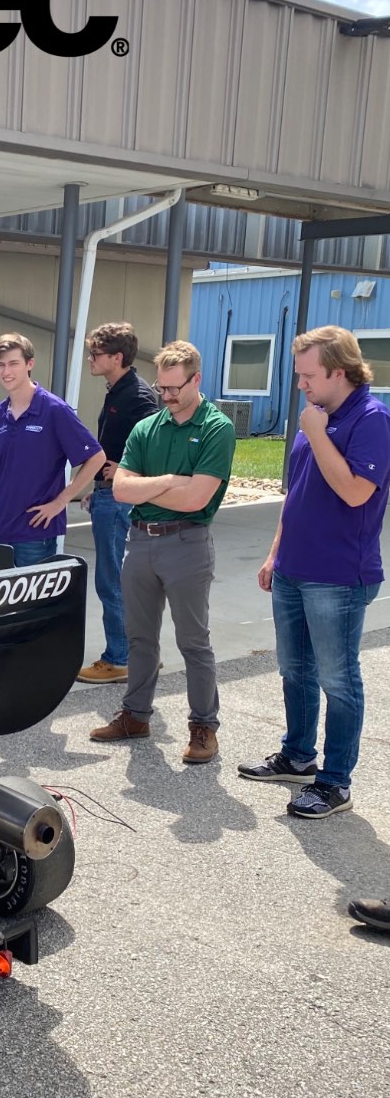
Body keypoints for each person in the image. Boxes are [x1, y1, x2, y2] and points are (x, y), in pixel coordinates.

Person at [238, 326, 390, 818]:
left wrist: (318, 434)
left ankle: (335, 782)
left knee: (338, 679)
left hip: (339, 575)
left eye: (308, 375)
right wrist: (274, 553)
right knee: (294, 670)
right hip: (293, 568)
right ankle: (298, 758)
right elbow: (298, 493)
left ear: (339, 372)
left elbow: (354, 492)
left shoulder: (372, 419)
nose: (299, 383)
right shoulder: (316, 416)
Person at [90, 341, 235, 764]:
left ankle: (203, 726)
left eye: (175, 388)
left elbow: (196, 499)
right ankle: (136, 715)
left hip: (187, 542)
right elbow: (119, 488)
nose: (167, 396)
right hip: (140, 541)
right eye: (162, 387)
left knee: (193, 641)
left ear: (197, 380)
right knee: (139, 637)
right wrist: (172, 479)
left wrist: (149, 485)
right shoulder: (146, 427)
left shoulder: (216, 428)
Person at [0, 333, 105, 568]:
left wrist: (61, 501)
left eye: (13, 363)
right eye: (1, 365)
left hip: (34, 535)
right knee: (1, 606)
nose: (6, 371)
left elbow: (97, 457)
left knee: (33, 605)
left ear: (30, 364)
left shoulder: (54, 410)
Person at [77, 322, 158, 684]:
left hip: (120, 498)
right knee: (115, 579)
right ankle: (135, 656)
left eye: (96, 354)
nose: (91, 360)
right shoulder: (117, 391)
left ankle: (120, 658)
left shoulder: (138, 396)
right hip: (109, 494)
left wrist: (123, 470)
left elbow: (154, 447)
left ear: (117, 357)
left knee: (112, 581)